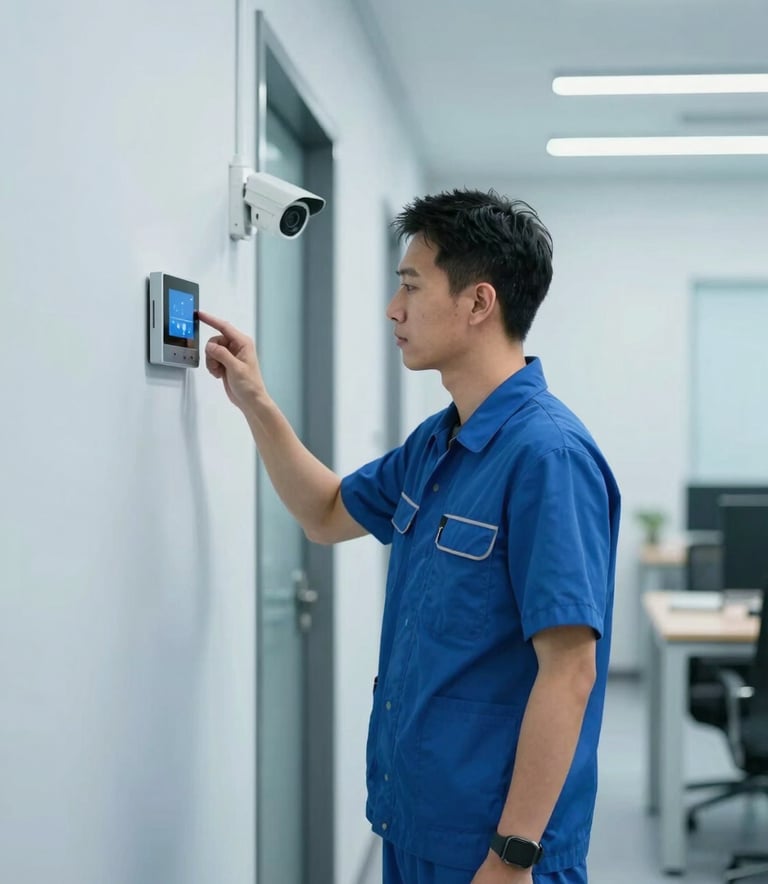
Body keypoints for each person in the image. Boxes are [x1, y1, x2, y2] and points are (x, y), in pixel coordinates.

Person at [199, 188, 621, 884]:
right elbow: (326, 512)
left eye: (411, 285)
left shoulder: (549, 457)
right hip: (417, 819)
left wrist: (513, 855)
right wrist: (256, 400)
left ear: (478, 302)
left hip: (494, 846)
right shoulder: (437, 443)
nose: (393, 309)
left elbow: (571, 670)